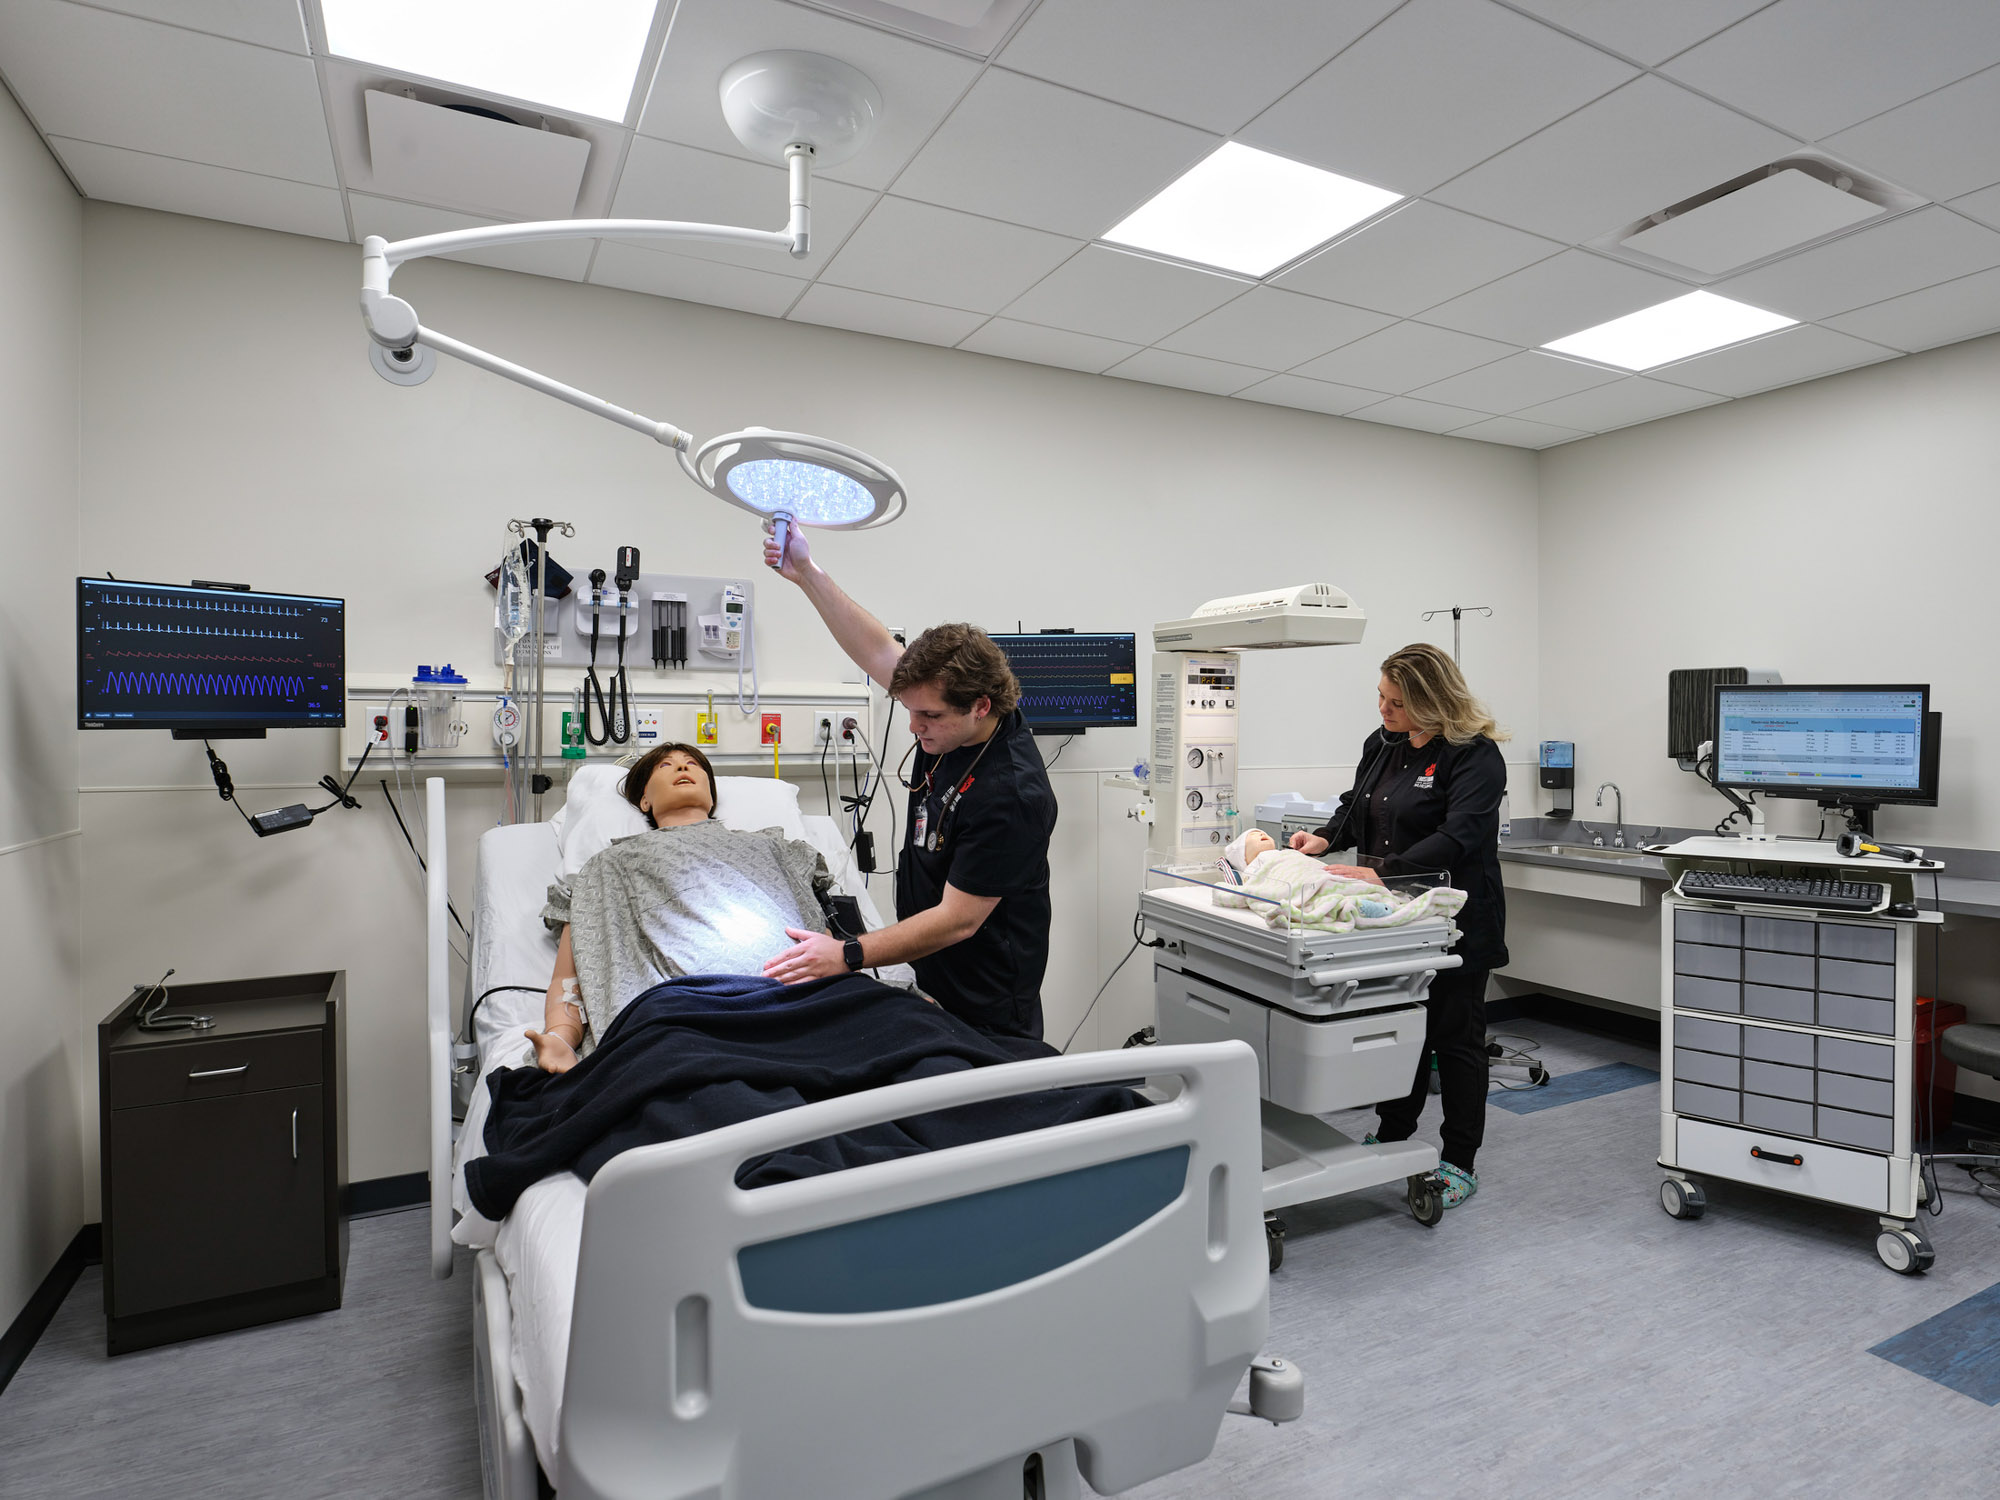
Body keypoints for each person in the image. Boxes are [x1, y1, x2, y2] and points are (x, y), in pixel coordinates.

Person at [758, 526, 1058, 1041]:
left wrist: (848, 955)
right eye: (909, 710)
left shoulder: (1012, 793)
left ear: (980, 705)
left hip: (985, 1000)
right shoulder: (950, 712)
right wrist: (807, 573)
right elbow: (878, 651)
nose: (915, 727)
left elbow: (957, 921)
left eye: (929, 716)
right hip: (930, 978)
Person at [1289, 643, 1509, 1208]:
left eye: (1397, 702)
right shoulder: (1382, 744)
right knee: (1401, 1025)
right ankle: (1392, 1133)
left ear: (1431, 701)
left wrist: (1382, 870)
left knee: (1455, 1039)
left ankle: (1459, 1158)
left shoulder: (1473, 756)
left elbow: (1461, 835)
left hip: (1455, 918)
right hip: (1393, 919)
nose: (1384, 710)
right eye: (1381, 698)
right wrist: (1327, 838)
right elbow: (1355, 803)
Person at [525, 741, 834, 1073]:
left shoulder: (774, 847)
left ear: (711, 797)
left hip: (803, 1002)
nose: (683, 768)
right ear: (644, 800)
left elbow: (825, 938)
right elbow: (571, 977)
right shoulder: (607, 866)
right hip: (684, 1017)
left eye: (692, 763)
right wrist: (560, 1038)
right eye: (665, 766)